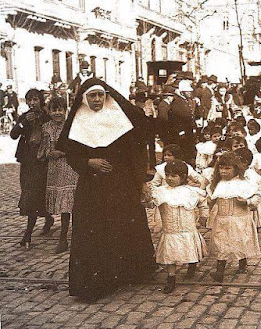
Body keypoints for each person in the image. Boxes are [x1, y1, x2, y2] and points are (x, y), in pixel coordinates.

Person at [56, 78, 156, 301]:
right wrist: (88, 162)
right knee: (93, 229)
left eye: (101, 95)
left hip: (121, 184)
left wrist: (140, 180)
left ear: (107, 96)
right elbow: (71, 154)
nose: (97, 100)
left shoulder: (119, 118)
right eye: (92, 96)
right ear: (84, 98)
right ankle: (97, 282)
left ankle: (126, 273)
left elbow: (135, 150)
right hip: (92, 186)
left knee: (121, 225)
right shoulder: (77, 122)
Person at [150, 160, 208, 293]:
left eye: (173, 176)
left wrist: (204, 215)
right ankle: (171, 277)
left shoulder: (191, 191)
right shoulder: (160, 192)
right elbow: (151, 204)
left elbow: (202, 202)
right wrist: (147, 199)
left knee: (189, 247)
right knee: (170, 254)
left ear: (182, 177)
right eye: (167, 175)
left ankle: (192, 263)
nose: (169, 178)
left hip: (187, 228)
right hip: (170, 230)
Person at [207, 152, 261, 282]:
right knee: (222, 243)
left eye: (227, 168)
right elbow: (212, 199)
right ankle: (220, 271)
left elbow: (256, 197)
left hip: (239, 219)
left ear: (236, 169)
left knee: (240, 241)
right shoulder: (217, 184)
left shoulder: (243, 183)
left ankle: (242, 263)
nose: (223, 172)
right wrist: (210, 202)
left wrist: (246, 201)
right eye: (221, 168)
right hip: (222, 219)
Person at [10, 89, 53, 249]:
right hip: (27, 162)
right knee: (29, 193)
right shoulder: (25, 117)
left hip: (42, 162)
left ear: (41, 101)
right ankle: (48, 218)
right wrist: (23, 123)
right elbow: (13, 135)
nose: (32, 103)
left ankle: (27, 235)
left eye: (35, 99)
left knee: (32, 195)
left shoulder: (47, 117)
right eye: (29, 100)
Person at [37, 97, 78, 253]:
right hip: (55, 170)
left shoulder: (71, 126)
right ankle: (63, 238)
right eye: (54, 110)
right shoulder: (46, 128)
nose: (57, 113)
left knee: (71, 204)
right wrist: (49, 153)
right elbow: (42, 151)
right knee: (63, 206)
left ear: (65, 110)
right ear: (49, 111)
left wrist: (63, 152)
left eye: (60, 109)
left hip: (70, 168)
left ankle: (65, 238)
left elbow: (77, 148)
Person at [235, 147, 261, 228]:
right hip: (238, 205)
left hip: (249, 205)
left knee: (252, 225)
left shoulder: (251, 175)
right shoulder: (235, 173)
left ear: (245, 163)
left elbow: (256, 190)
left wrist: (249, 201)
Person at [168, 79, 197, 164]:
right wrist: (181, 131)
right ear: (182, 92)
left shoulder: (185, 101)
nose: (190, 93)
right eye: (187, 92)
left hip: (188, 131)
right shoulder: (178, 102)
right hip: (183, 133)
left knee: (188, 151)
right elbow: (177, 119)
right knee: (184, 152)